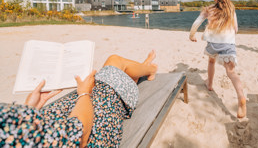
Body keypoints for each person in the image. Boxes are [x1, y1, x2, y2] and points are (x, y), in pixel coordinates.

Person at [0, 50, 158, 147]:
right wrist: (84, 94)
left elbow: (23, 131)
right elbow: (80, 134)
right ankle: (150, 68)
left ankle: (136, 73)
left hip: (54, 121)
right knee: (114, 62)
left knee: (109, 73)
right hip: (92, 133)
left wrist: (31, 109)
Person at [189, 0, 246, 118]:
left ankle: (209, 84)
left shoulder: (209, 9)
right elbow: (236, 29)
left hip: (213, 44)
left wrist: (192, 35)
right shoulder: (231, 9)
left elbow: (196, 22)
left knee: (211, 61)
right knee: (231, 72)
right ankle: (241, 97)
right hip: (228, 44)